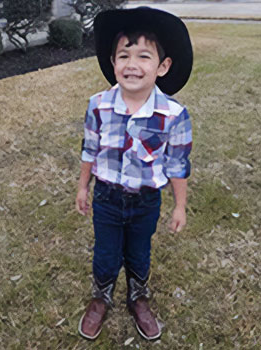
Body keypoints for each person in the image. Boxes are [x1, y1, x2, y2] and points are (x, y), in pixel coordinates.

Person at [76, 6, 193, 341]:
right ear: (113, 63)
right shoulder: (98, 104)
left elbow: (178, 165)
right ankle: (101, 296)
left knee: (139, 252)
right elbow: (89, 149)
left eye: (144, 56)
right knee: (106, 252)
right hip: (107, 197)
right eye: (123, 55)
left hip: (146, 201)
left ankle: (138, 296)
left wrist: (179, 206)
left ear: (163, 66)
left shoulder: (173, 115)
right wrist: (83, 188)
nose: (132, 64)